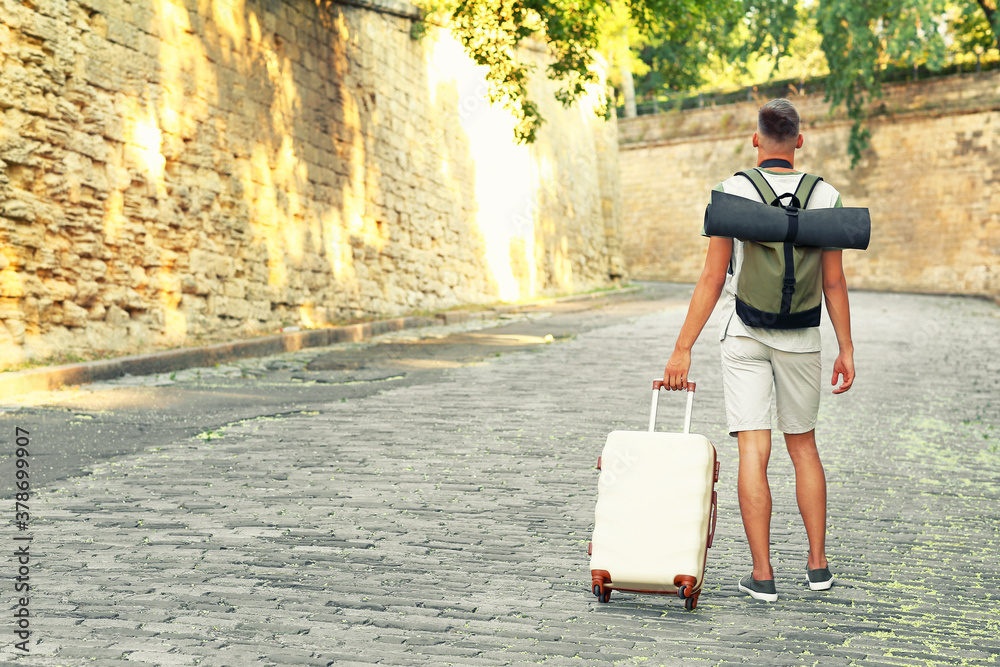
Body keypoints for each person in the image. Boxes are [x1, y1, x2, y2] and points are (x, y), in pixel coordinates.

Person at [661, 99, 855, 602]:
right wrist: (846, 349)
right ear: (799, 141)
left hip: (743, 331)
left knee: (754, 447)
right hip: (803, 337)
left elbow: (712, 276)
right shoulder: (826, 195)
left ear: (756, 139)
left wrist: (682, 348)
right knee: (804, 447)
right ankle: (817, 566)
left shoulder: (733, 192)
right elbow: (833, 282)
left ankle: (763, 574)